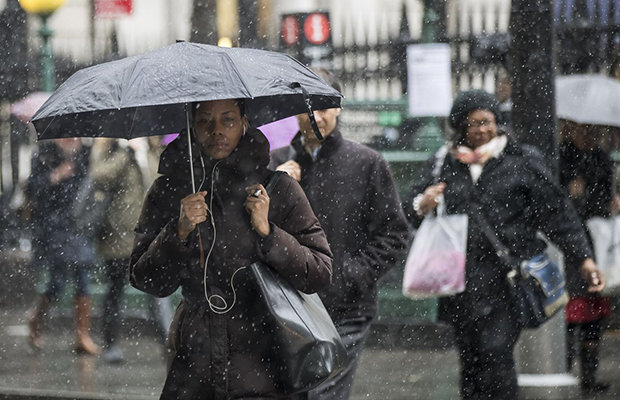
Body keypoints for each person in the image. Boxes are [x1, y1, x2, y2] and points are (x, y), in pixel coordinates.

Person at [403, 89, 605, 400]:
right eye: (474, 123)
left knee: (496, 354)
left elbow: (558, 213)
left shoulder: (521, 160)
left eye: (489, 121)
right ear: (460, 126)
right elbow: (409, 212)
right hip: (461, 284)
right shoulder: (442, 163)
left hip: (506, 281)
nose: (483, 129)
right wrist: (423, 202)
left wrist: (584, 259)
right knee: (470, 361)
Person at [129, 98, 333, 400]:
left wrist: (268, 232)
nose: (217, 131)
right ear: (191, 127)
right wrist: (178, 231)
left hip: (267, 365)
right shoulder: (168, 191)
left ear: (244, 124)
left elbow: (319, 273)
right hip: (194, 369)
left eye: (228, 120)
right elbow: (146, 279)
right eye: (205, 121)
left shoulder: (278, 189)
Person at [270, 69, 409, 400]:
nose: (316, 116)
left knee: (324, 393)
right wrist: (273, 184)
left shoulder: (366, 163)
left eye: (324, 106)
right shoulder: (275, 163)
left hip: (345, 309)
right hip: (288, 307)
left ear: (338, 109)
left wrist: (351, 274)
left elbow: (395, 234)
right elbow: (256, 228)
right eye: (307, 107)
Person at [27, 138, 99, 355]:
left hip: (80, 225)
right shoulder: (44, 154)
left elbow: (95, 184)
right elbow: (33, 189)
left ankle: (82, 335)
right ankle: (36, 321)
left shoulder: (87, 153)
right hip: (55, 227)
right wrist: (55, 176)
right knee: (57, 282)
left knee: (82, 278)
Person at [559, 121, 614, 393]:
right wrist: (572, 194)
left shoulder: (601, 159)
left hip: (598, 243)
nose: (590, 135)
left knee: (594, 315)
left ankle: (589, 378)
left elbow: (603, 201)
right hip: (573, 247)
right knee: (572, 312)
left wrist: (612, 201)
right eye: (584, 129)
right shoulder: (563, 157)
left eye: (595, 130)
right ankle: (566, 370)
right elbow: (558, 208)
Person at [89, 138, 144, 364]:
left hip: (143, 234)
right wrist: (125, 154)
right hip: (117, 237)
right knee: (115, 290)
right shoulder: (111, 151)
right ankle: (110, 343)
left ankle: (168, 341)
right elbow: (99, 176)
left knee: (157, 290)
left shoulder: (147, 151)